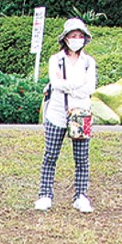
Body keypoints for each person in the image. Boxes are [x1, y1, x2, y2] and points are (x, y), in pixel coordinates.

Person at [35, 18, 97, 214]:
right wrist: (75, 85)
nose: (76, 39)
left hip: (82, 113)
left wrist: (70, 86)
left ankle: (81, 195)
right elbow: (56, 83)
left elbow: (90, 87)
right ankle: (45, 194)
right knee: (51, 154)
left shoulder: (88, 62)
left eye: (80, 36)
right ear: (65, 38)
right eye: (73, 36)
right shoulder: (56, 59)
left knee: (81, 157)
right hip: (57, 113)